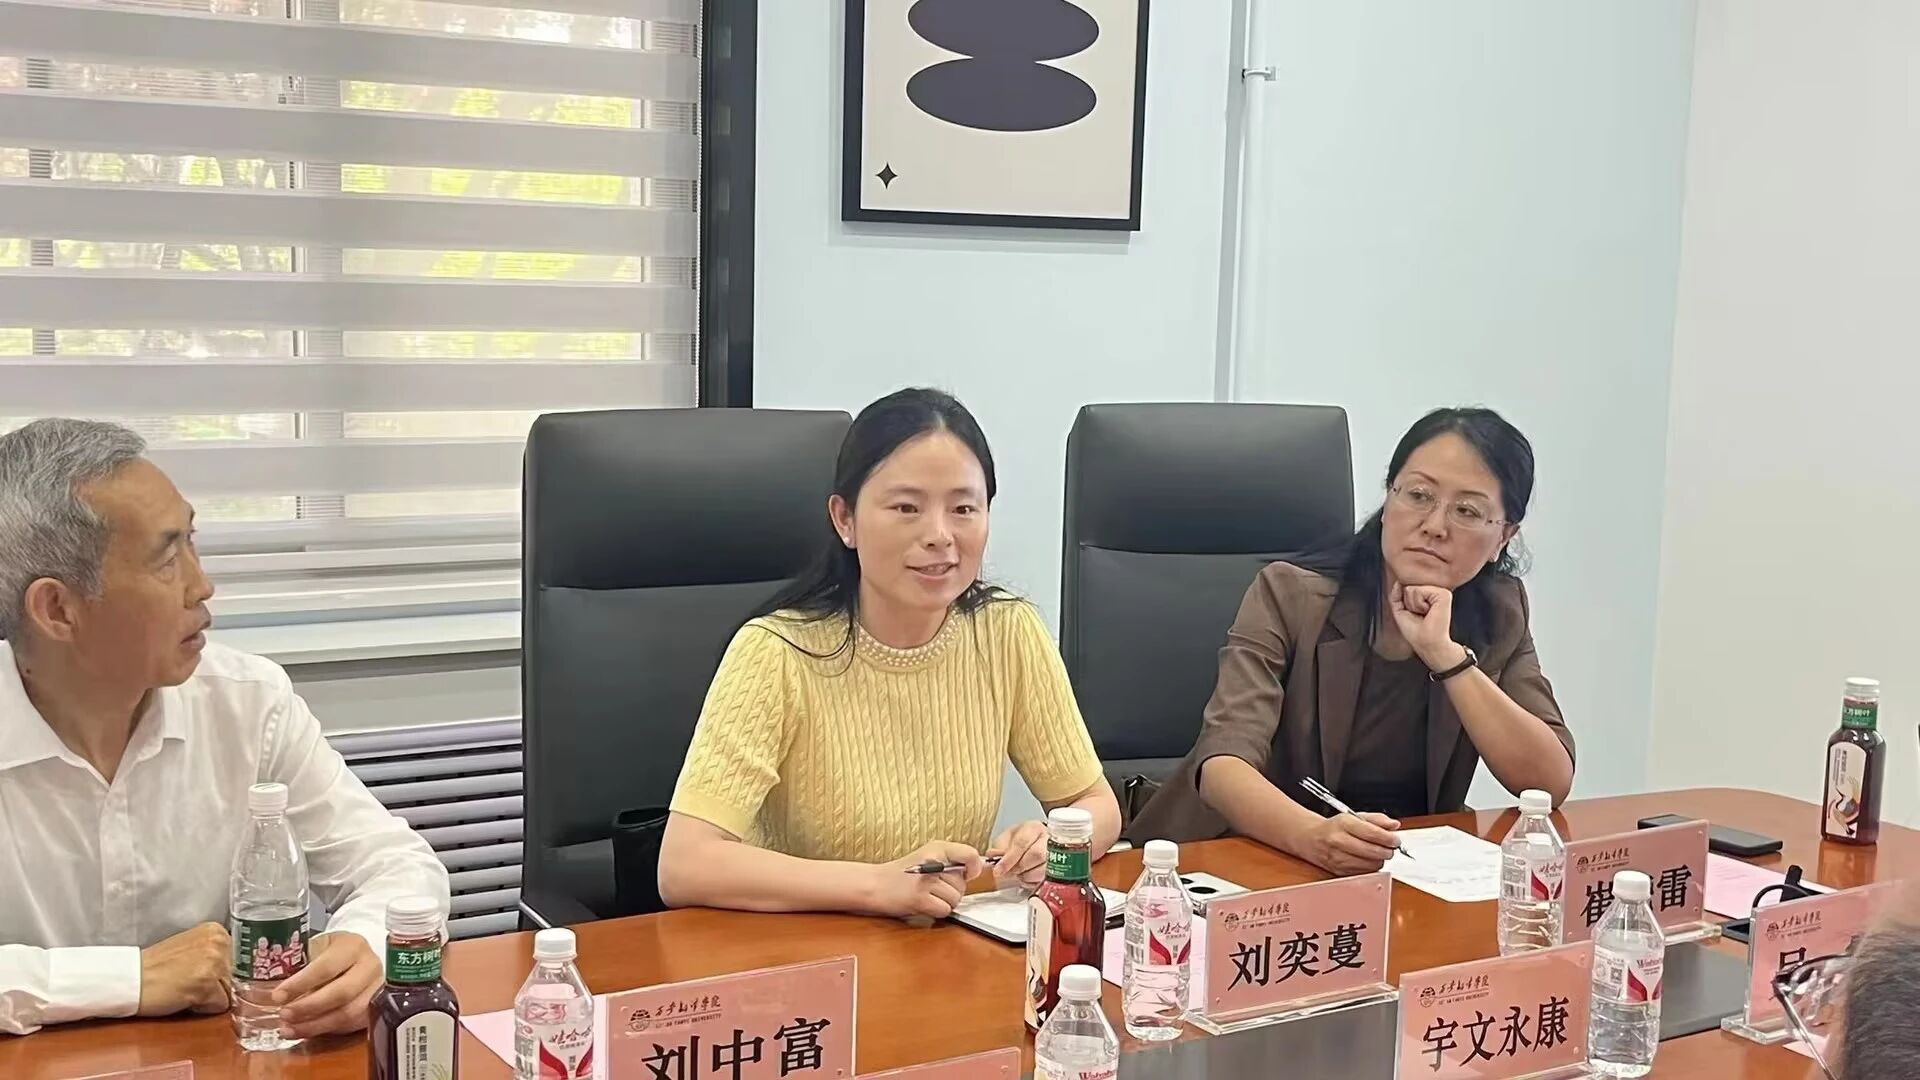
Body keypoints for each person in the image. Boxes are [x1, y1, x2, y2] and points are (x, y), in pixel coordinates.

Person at [0, 419, 450, 1037]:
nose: (202, 585)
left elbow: (397, 866)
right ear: (58, 609)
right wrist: (132, 979)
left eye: (192, 542)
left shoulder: (247, 703)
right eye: (167, 560)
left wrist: (368, 944)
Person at [658, 388, 1121, 917]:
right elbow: (685, 864)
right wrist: (877, 886)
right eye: (906, 508)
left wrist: (1054, 841)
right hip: (806, 950)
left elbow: (1097, 805)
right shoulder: (777, 653)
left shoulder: (1006, 631)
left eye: (963, 508)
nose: (940, 535)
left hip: (942, 944)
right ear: (845, 520)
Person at [1127, 407, 1574, 875]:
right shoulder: (1291, 594)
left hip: (1399, 870)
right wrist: (1314, 837)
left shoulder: (1499, 612)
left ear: (1504, 536)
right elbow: (1222, 765)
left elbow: (1547, 782)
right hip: (1244, 855)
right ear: (1389, 497)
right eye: (1418, 495)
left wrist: (1446, 657)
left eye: (1467, 511)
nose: (1435, 525)